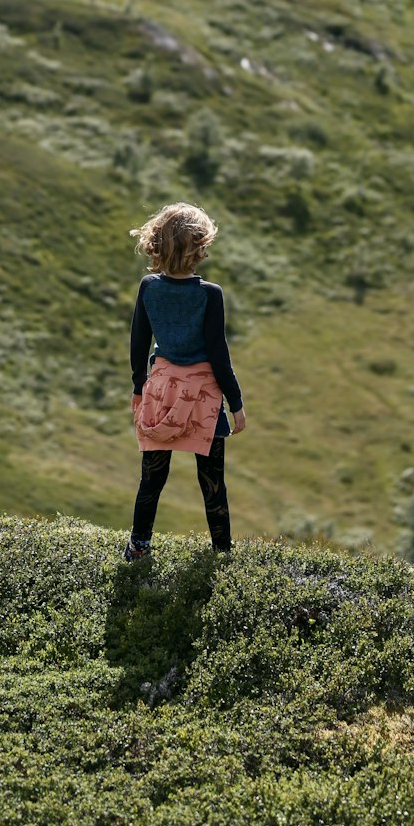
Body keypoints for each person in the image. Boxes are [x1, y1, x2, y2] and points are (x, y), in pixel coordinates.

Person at [124, 201, 246, 562]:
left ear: (158, 243)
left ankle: (138, 547)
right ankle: (222, 554)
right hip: (203, 397)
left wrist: (138, 388)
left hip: (160, 390)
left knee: (152, 479)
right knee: (212, 482)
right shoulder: (210, 294)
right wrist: (236, 404)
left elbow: (138, 343)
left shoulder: (149, 288)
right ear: (200, 247)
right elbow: (218, 354)